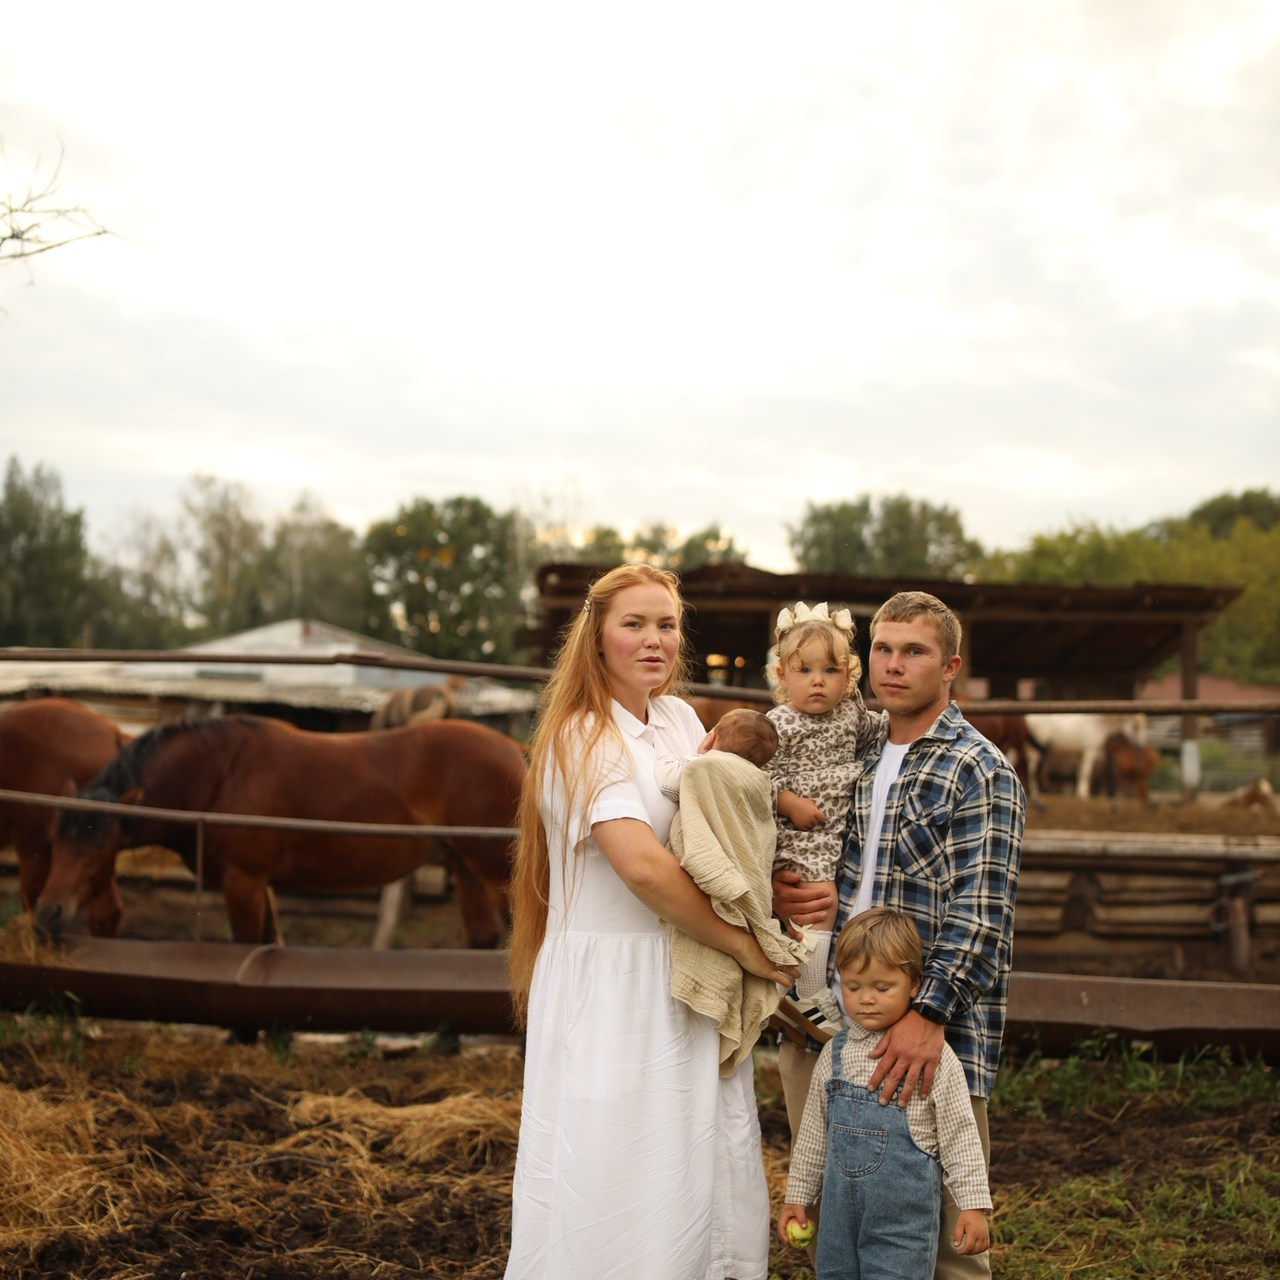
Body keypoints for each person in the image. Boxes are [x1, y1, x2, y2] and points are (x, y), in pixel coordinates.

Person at [505, 563, 798, 1280]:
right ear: (597, 637)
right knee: (612, 1158)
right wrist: (744, 945)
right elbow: (639, 865)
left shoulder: (678, 720)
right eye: (633, 624)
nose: (654, 640)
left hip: (681, 963)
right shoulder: (580, 736)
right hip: (612, 978)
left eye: (666, 624)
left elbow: (718, 827)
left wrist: (777, 891)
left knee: (690, 1152)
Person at [773, 590, 1025, 1280]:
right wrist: (790, 888)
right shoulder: (859, 744)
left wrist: (928, 1016)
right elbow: (830, 849)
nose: (892, 664)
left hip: (930, 1033)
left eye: (913, 651)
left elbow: (983, 915)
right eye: (882, 648)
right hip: (831, 1015)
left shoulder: (978, 769)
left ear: (950, 666)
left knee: (946, 1239)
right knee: (836, 1208)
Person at [778, 907, 992, 1278]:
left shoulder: (935, 1058)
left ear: (913, 983)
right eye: (853, 986)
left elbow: (960, 1135)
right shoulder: (834, 1054)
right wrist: (798, 1197)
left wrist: (973, 1208)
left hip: (903, 1228)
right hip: (837, 1223)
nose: (866, 999)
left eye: (882, 987)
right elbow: (813, 1136)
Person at [656, 707, 807, 1076]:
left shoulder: (704, 768)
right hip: (750, 873)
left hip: (725, 878)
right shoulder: (759, 780)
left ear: (711, 739)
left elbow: (665, 779)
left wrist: (689, 759)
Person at [766, 601, 881, 1030]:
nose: (818, 681)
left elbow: (882, 729)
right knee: (820, 907)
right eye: (804, 671)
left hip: (834, 836)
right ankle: (808, 993)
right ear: (783, 676)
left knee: (816, 916)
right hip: (800, 836)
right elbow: (752, 774)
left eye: (831, 671)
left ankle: (788, 985)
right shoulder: (778, 724)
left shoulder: (852, 715)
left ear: (849, 677)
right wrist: (787, 801)